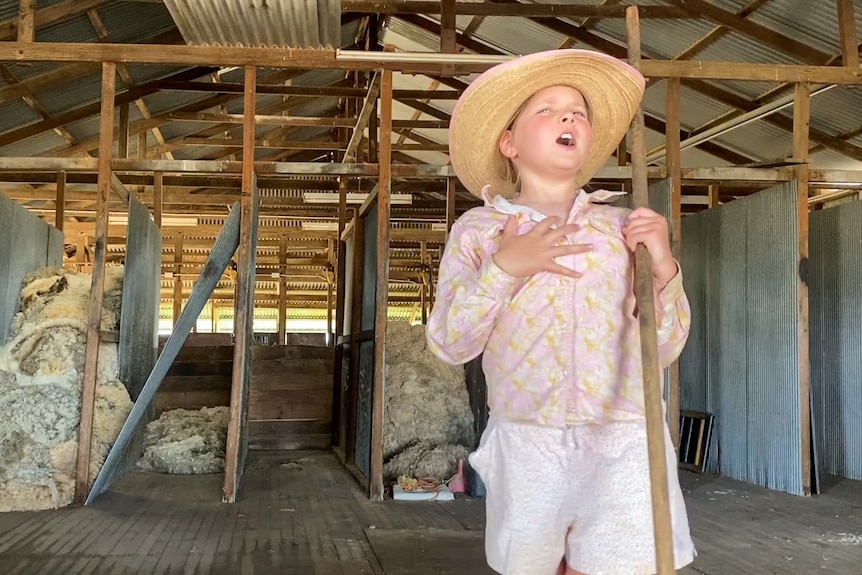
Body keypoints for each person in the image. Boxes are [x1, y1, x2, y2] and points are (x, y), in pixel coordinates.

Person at [426, 49, 697, 575]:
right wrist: (506, 267)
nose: (569, 116)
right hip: (529, 439)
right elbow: (448, 342)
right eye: (546, 109)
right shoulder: (481, 232)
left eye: (578, 111)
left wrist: (663, 269)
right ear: (509, 143)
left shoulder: (624, 229)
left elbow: (662, 348)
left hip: (625, 435)